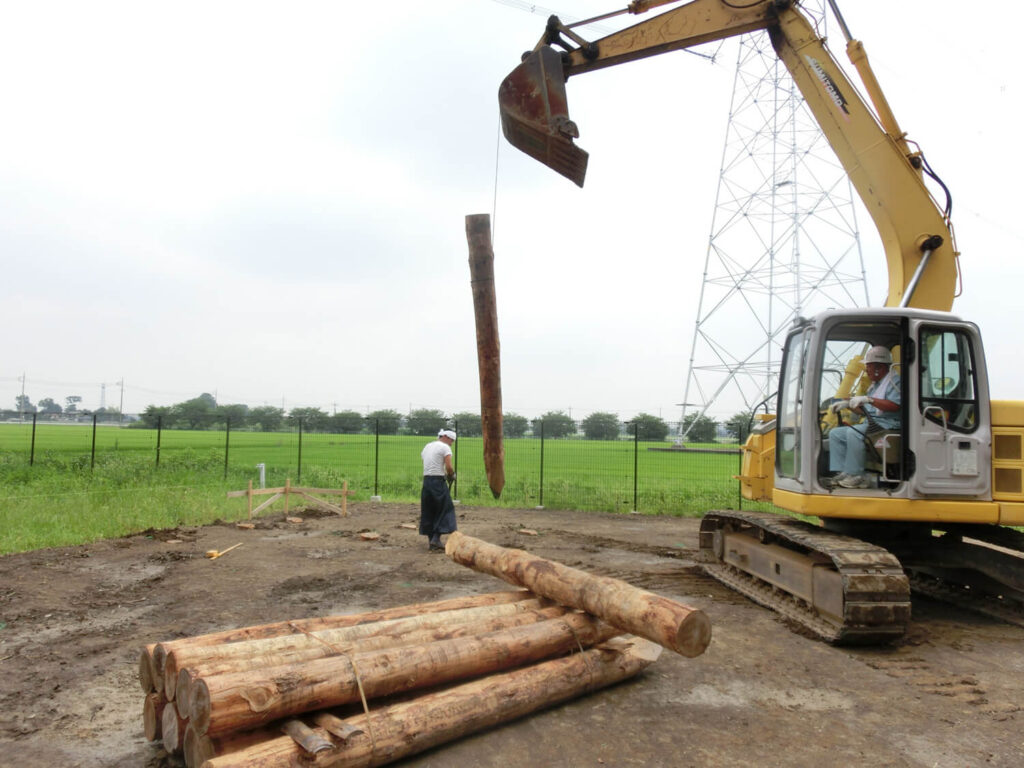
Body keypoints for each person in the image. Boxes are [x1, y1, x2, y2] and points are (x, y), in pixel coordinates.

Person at [827, 345, 901, 489]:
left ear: (879, 367)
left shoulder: (894, 382)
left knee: (854, 433)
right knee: (835, 434)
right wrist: (847, 404)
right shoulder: (875, 386)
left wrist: (870, 399)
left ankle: (856, 475)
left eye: (869, 367)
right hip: (872, 423)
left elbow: (895, 405)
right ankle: (844, 472)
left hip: (888, 424)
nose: (867, 370)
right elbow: (866, 411)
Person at [420, 428, 458, 551]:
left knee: (429, 510)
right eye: (452, 440)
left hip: (426, 481)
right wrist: (451, 475)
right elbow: (449, 466)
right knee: (445, 509)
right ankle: (436, 539)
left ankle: (431, 541)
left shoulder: (427, 446)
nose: (452, 443)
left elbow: (427, 462)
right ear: (446, 437)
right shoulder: (445, 447)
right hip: (437, 482)